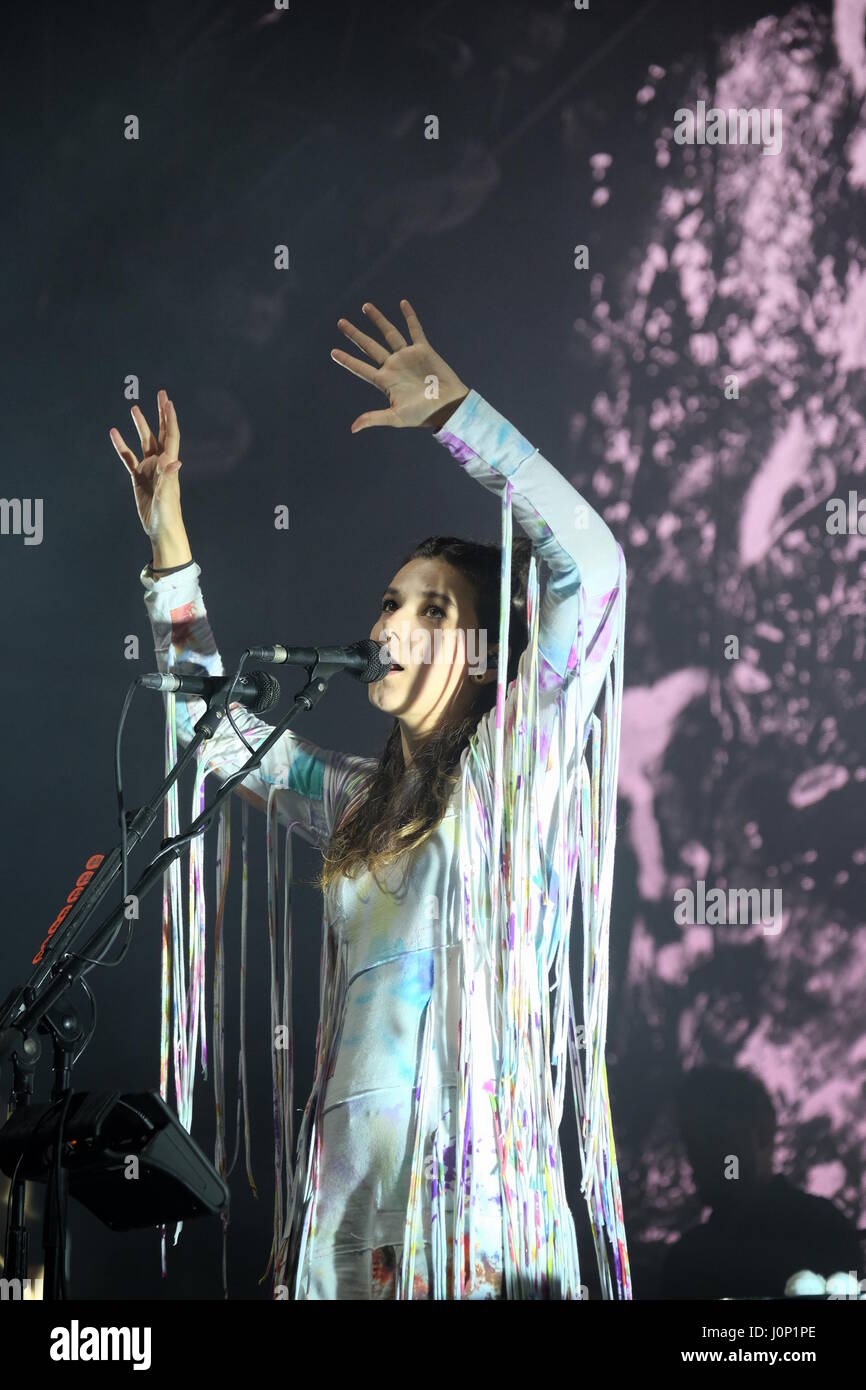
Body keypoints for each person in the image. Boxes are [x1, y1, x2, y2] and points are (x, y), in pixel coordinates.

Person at [111, 298, 628, 1300]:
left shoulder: (507, 776)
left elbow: (595, 572)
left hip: (470, 1198)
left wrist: (456, 414)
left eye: (433, 607)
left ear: (484, 658)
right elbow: (218, 737)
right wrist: (169, 544)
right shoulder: (355, 797)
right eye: (391, 599)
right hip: (350, 1194)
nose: (392, 618)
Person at [661, 1065, 863, 1299]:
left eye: (714, 1137)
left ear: (764, 1132)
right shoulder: (686, 1259)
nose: (699, 1156)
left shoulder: (825, 1230)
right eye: (692, 1141)